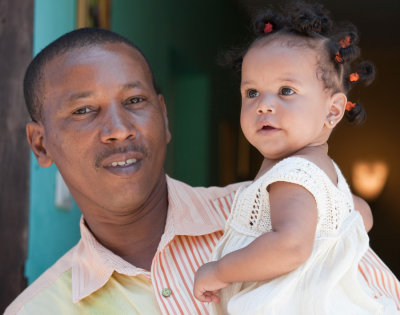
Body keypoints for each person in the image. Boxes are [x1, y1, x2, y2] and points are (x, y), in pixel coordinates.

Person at [5, 27, 399, 314]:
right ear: (41, 144)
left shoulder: (275, 216)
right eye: (83, 110)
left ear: (163, 115)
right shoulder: (38, 310)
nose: (120, 129)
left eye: (135, 100)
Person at [192, 2, 400, 314]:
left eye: (286, 91)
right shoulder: (327, 176)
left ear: (332, 110)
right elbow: (362, 215)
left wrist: (219, 270)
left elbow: (290, 246)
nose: (264, 105)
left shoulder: (293, 175)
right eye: (252, 93)